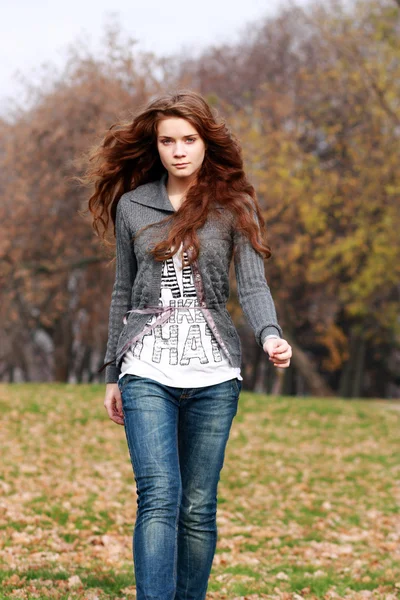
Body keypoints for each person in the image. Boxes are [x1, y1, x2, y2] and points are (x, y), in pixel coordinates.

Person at [85, 90, 292, 600]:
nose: (178, 150)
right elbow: (122, 291)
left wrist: (270, 333)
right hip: (146, 367)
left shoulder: (234, 204)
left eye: (188, 140)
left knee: (197, 506)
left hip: (213, 375)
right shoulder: (133, 205)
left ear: (206, 143)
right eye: (167, 141)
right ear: (155, 146)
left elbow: (253, 283)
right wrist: (113, 372)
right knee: (158, 497)